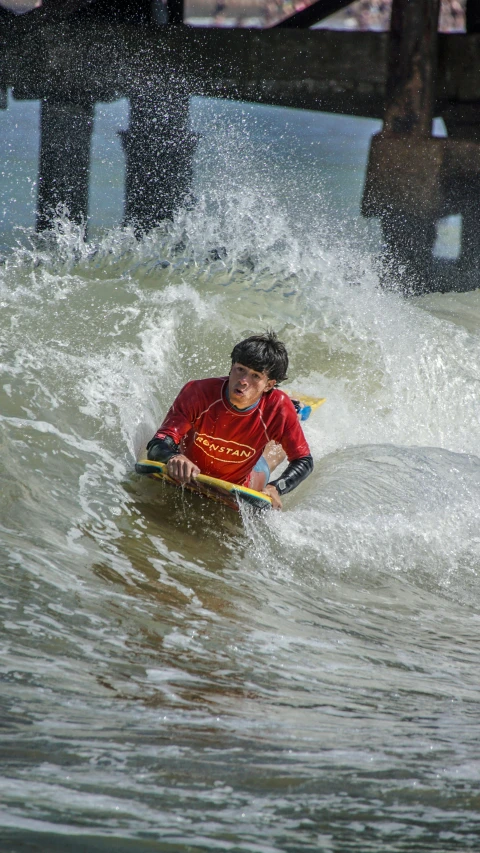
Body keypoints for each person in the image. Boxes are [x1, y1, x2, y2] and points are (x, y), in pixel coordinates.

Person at [146, 331, 313, 509]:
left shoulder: (278, 408)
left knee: (269, 459)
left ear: (269, 385)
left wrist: (276, 488)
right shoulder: (198, 393)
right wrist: (174, 457)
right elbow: (159, 442)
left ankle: (296, 411)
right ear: (231, 367)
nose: (243, 381)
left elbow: (303, 460)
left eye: (255, 376)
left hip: (243, 481)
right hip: (191, 470)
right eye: (240, 369)